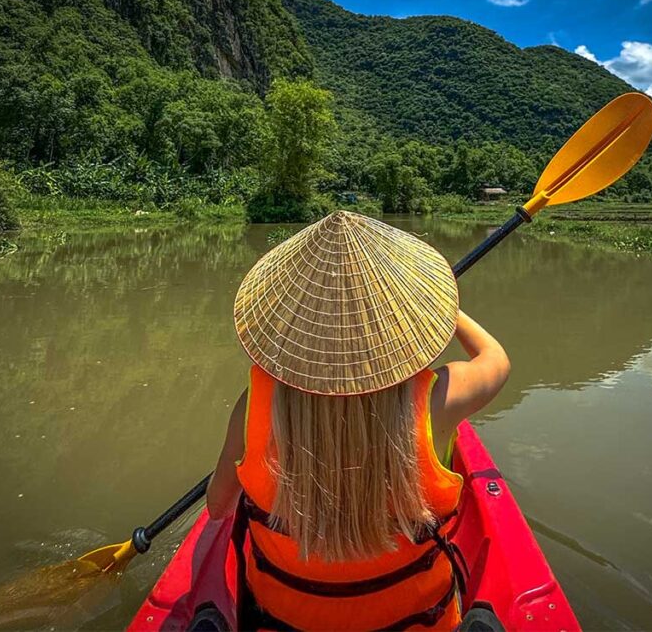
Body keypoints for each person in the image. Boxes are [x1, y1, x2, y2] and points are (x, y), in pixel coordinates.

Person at [206, 211, 509, 631]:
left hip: (283, 621)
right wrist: (448, 308)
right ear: (403, 320)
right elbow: (496, 360)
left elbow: (218, 507)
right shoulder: (438, 401)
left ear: (292, 324)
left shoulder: (253, 404)